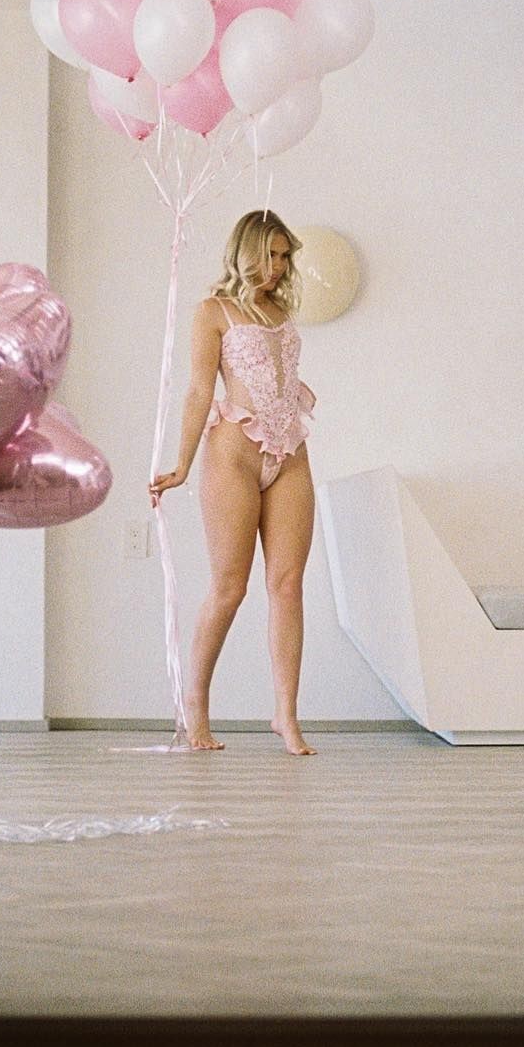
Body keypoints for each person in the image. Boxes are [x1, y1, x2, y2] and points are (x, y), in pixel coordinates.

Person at [149, 210, 318, 755]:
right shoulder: (213, 311)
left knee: (287, 584)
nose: (279, 266)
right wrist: (180, 464)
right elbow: (200, 390)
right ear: (246, 253)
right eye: (270, 254)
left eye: (285, 256)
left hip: (289, 451)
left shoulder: (280, 311)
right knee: (230, 587)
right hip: (234, 455)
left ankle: (285, 715)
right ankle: (195, 705)